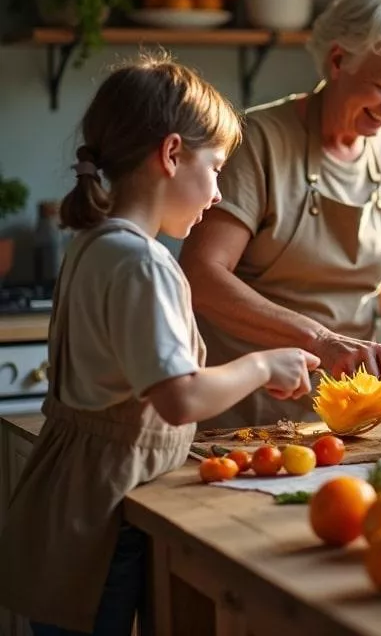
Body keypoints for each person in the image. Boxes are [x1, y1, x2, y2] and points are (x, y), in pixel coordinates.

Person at [0, 56, 319, 636]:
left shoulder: (93, 245)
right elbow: (179, 398)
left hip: (70, 496)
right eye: (216, 168)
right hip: (104, 513)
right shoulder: (143, 262)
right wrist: (262, 363)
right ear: (172, 155)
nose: (219, 193)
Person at [179, 0, 381, 428]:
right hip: (243, 415)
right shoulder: (258, 141)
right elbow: (202, 275)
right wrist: (323, 340)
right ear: (337, 60)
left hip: (350, 418)